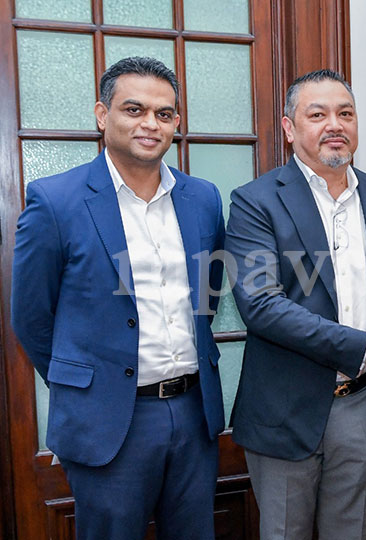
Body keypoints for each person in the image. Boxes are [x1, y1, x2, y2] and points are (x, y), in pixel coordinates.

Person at [11, 57, 226, 540]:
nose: (151, 123)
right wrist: (87, 382)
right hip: (108, 421)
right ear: (102, 114)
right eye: (134, 109)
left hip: (194, 412)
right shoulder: (55, 201)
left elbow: (207, 299)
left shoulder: (203, 198)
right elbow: (31, 317)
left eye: (164, 113)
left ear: (176, 123)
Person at [225, 69, 366, 540]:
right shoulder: (256, 202)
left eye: (345, 114)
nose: (335, 125)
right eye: (317, 114)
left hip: (362, 403)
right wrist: (363, 346)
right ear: (289, 128)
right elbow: (261, 304)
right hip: (284, 409)